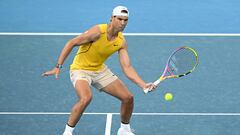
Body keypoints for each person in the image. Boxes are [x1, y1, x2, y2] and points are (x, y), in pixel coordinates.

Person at [42, 6, 156, 135]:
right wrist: (58, 67)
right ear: (112, 18)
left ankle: (124, 130)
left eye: (125, 20)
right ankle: (67, 132)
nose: (122, 23)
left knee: (128, 98)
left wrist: (143, 84)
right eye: (119, 19)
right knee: (86, 98)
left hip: (99, 70)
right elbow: (71, 42)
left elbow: (127, 67)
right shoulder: (97, 32)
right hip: (80, 70)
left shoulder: (121, 42)